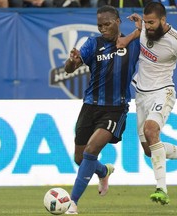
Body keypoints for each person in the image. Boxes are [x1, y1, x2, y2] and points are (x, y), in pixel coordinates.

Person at [117, 1, 177, 205]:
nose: (148, 26)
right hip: (141, 93)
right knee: (148, 149)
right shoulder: (145, 28)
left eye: (152, 22)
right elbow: (140, 32)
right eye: (146, 22)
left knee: (152, 130)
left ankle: (161, 189)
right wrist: (128, 38)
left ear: (163, 19)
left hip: (163, 92)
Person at [64, 5, 140, 214]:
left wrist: (138, 28)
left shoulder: (133, 44)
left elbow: (153, 29)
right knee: (79, 158)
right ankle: (103, 170)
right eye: (99, 25)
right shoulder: (92, 43)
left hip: (115, 109)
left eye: (107, 24)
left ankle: (73, 202)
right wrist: (72, 61)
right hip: (90, 106)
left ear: (117, 21)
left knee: (90, 151)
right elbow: (70, 68)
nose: (103, 29)